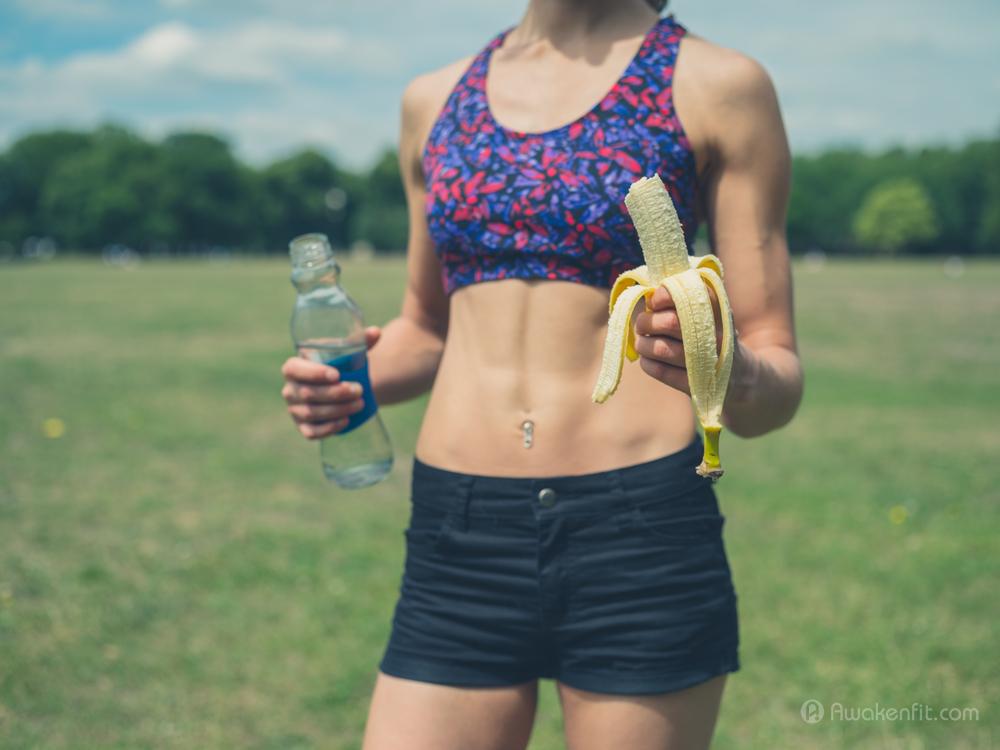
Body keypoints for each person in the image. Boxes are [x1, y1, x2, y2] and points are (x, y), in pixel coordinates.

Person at [280, 0, 803, 746]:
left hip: (639, 530)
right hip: (458, 532)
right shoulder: (433, 99)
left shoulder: (719, 84)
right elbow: (427, 328)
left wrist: (732, 370)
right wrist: (348, 381)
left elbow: (775, 368)